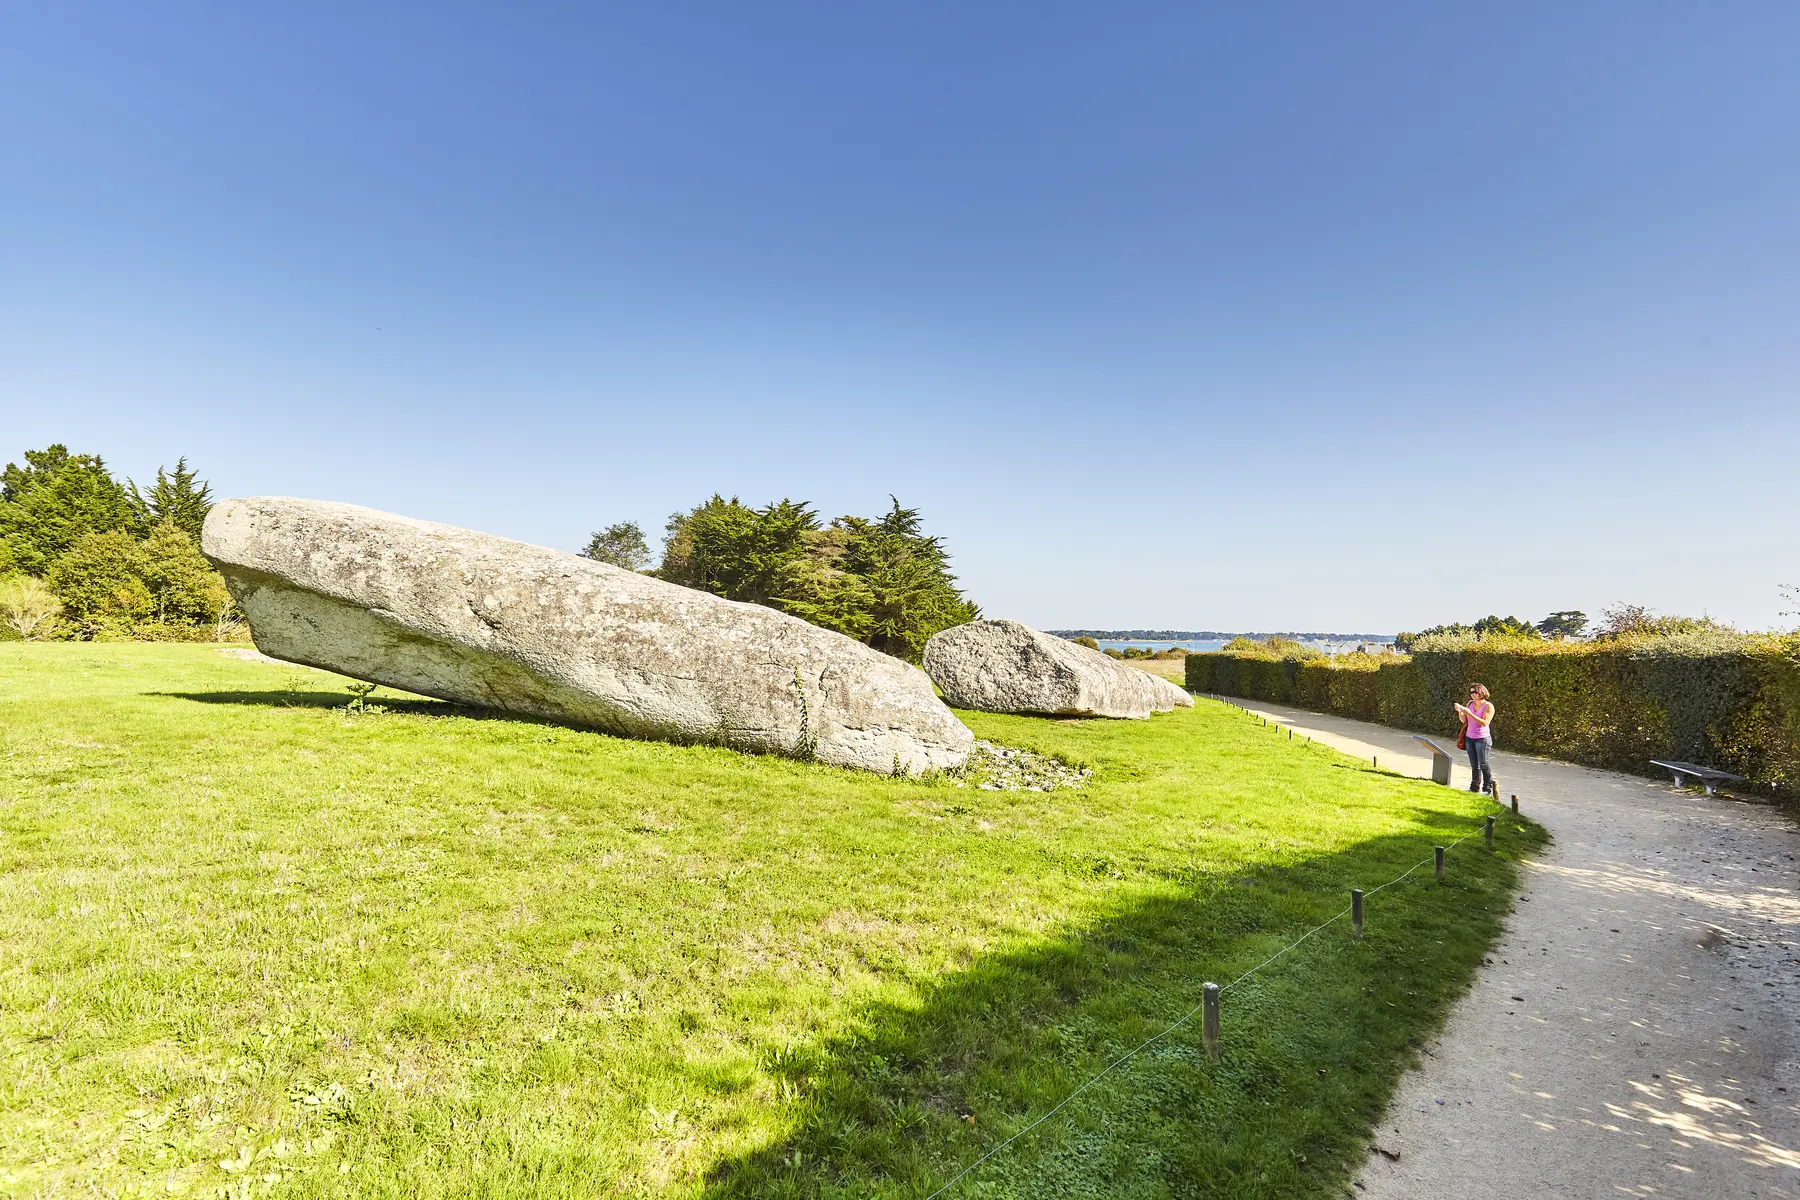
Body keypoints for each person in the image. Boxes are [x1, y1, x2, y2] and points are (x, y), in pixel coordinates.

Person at [1454, 684, 1496, 795]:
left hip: (1482, 739)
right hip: (1469, 737)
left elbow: (1485, 722)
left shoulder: (1488, 706)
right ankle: (1474, 787)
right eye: (1471, 692)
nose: (1472, 694)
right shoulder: (1470, 704)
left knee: (1483, 764)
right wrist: (1460, 711)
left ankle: (1487, 788)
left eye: (1475, 692)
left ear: (1481, 692)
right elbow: (1464, 720)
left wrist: (1470, 713)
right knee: (1474, 765)